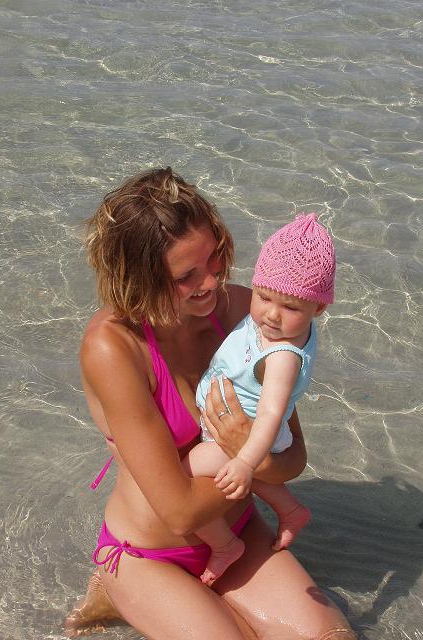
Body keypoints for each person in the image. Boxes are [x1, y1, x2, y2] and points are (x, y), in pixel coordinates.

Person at [65, 167, 357, 640]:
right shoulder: (113, 347)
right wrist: (253, 461)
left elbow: (293, 458)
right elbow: (179, 513)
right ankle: (113, 588)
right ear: (140, 278)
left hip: (238, 533)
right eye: (186, 276)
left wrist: (252, 453)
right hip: (149, 554)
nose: (210, 282)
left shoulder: (247, 312)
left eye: (215, 257)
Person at [185, 214, 334, 586]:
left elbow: (269, 413)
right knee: (235, 473)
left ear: (318, 309)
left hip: (256, 435)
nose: (272, 315)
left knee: (183, 474)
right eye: (264, 297)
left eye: (291, 308)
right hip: (247, 430)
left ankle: (224, 545)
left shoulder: (282, 356)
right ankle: (290, 509)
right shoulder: (279, 326)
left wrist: (246, 461)